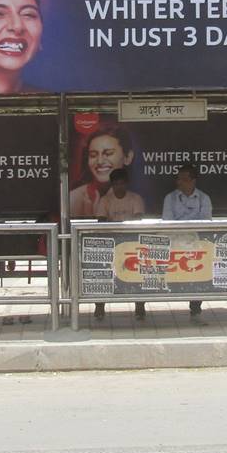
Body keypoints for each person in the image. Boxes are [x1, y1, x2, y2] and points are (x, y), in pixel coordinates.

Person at [92, 167, 146, 321]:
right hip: (110, 243)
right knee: (102, 273)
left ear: (127, 184)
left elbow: (138, 221)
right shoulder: (105, 200)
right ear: (112, 185)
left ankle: (140, 306)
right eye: (116, 184)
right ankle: (99, 306)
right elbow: (101, 222)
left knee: (138, 273)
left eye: (122, 183)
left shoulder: (135, 199)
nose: (119, 187)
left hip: (132, 244)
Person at [161, 163, 212, 317]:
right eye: (178, 179)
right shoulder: (170, 198)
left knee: (197, 272)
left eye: (183, 179)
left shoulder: (204, 198)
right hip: (175, 243)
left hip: (196, 243)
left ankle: (195, 304)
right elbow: (167, 221)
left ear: (193, 181)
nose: (180, 182)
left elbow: (205, 223)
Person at [68, 122, 135, 218]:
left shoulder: (137, 197)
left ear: (128, 157)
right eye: (93, 155)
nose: (99, 161)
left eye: (108, 153)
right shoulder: (74, 198)